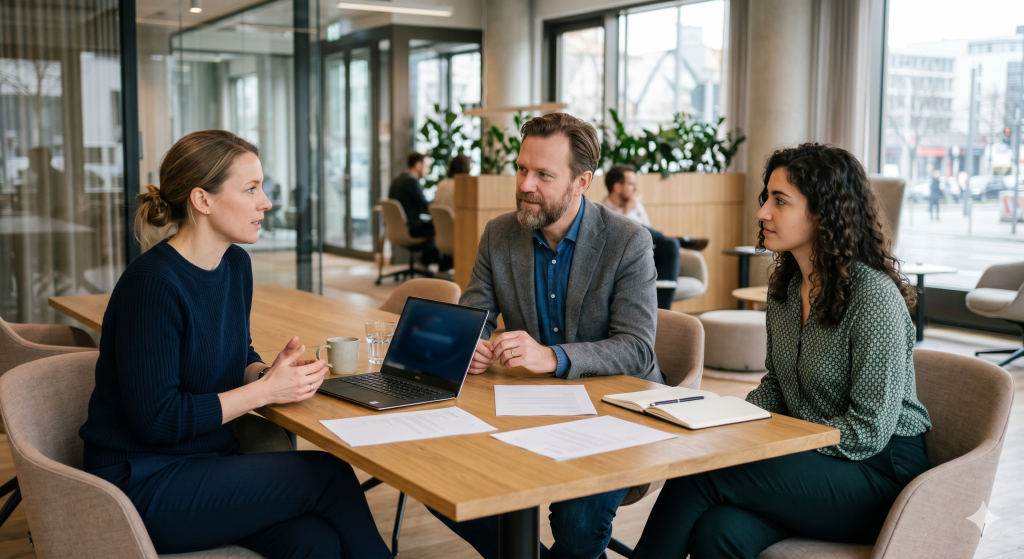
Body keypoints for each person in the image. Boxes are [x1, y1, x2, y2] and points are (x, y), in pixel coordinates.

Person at [79, 130, 392, 559]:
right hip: (140, 482)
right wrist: (262, 393)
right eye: (251, 189)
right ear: (202, 200)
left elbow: (237, 353)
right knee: (329, 475)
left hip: (209, 465)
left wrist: (267, 373)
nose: (266, 202)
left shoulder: (234, 265)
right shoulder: (151, 285)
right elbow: (156, 420)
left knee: (314, 541)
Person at [630, 143, 933, 559]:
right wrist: (729, 419)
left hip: (879, 475)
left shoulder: (874, 298)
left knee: (704, 469)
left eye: (780, 201)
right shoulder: (788, 289)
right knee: (719, 532)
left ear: (824, 212)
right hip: (815, 460)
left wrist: (772, 444)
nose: (762, 213)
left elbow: (868, 432)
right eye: (765, 198)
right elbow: (776, 386)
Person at [430, 112, 662, 559]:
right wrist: (469, 344)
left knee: (576, 523)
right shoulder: (500, 233)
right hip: (528, 408)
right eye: (521, 169)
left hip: (615, 411)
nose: (525, 185)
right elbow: (473, 315)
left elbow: (636, 348)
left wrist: (552, 357)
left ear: (582, 182)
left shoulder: (628, 241)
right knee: (436, 477)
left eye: (543, 175)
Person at [601, 164, 681, 309]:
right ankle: (685, 241)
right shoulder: (602, 212)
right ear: (617, 187)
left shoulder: (637, 206)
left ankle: (664, 311)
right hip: (621, 261)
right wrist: (628, 211)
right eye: (631, 184)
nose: (636, 189)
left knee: (671, 244)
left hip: (645, 255)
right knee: (654, 234)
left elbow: (650, 238)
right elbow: (614, 240)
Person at [388, 152, 451, 271]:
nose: (428, 170)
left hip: (398, 228)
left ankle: (426, 262)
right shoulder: (411, 182)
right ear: (418, 165)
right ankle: (439, 264)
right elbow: (426, 206)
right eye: (427, 166)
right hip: (411, 228)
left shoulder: (398, 179)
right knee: (443, 226)